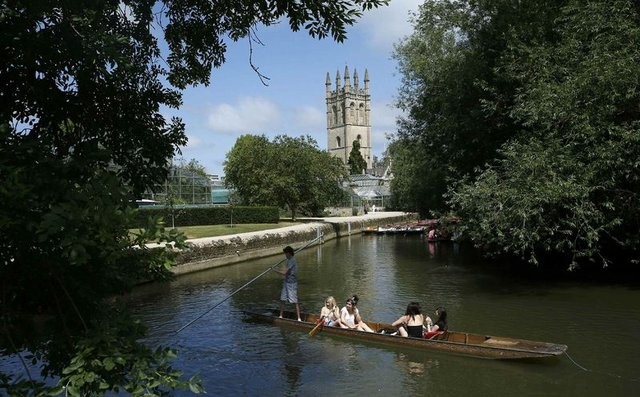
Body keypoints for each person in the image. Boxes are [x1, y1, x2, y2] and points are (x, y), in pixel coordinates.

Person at [277, 246, 301, 321]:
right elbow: (284, 270)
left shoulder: (292, 261)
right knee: (283, 299)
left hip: (292, 284)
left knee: (294, 301)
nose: (285, 255)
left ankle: (299, 318)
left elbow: (284, 273)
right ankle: (281, 316)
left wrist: (274, 270)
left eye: (285, 254)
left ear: (288, 253)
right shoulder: (288, 260)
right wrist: (278, 268)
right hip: (286, 282)